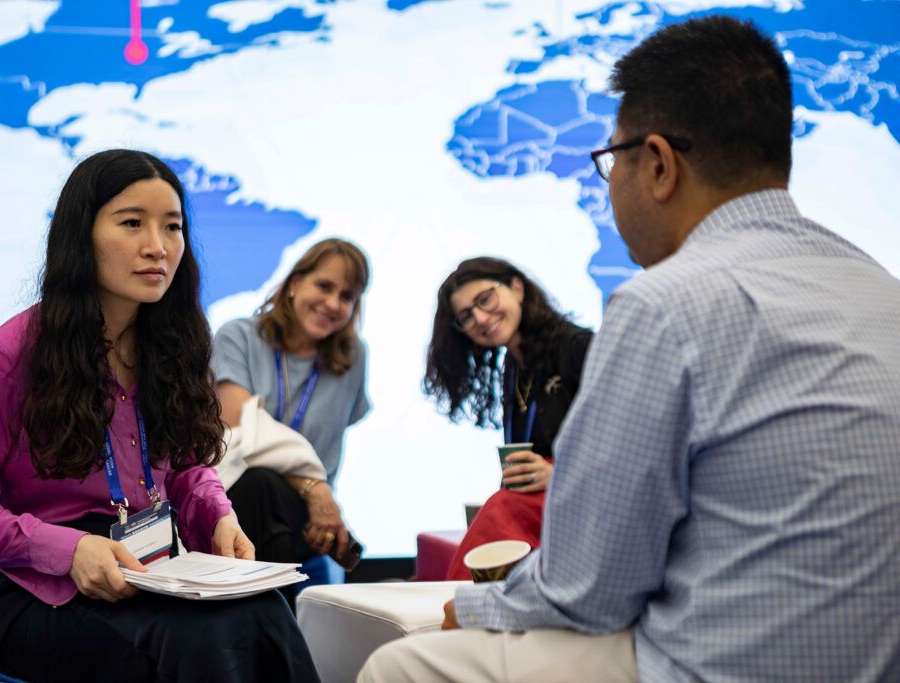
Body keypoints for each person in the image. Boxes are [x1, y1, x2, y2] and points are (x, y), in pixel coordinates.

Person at [360, 15, 900, 682]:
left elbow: (588, 588)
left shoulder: (665, 305)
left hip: (722, 661)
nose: (608, 182)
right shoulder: (882, 289)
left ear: (659, 164)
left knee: (399, 662)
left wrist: (470, 605)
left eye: (608, 160)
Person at [0, 149, 320, 682]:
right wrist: (69, 550)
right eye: (132, 223)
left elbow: (185, 466)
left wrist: (217, 514)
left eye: (173, 227)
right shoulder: (8, 357)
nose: (157, 247)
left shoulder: (174, 345)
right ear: (80, 234)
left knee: (265, 611)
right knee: (196, 639)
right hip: (34, 592)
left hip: (147, 570)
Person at [210, 238, 371, 586]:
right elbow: (240, 429)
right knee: (261, 485)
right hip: (238, 503)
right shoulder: (237, 336)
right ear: (295, 283)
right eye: (324, 286)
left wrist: (315, 496)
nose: (333, 304)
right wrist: (315, 488)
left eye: (347, 297)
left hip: (305, 518)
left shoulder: (353, 357)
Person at [423, 257, 591, 580]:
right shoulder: (513, 368)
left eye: (485, 300)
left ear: (517, 288)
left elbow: (626, 446)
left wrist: (559, 472)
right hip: (545, 520)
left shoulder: (578, 347)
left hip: (582, 507)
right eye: (465, 317)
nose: (481, 319)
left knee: (500, 510)